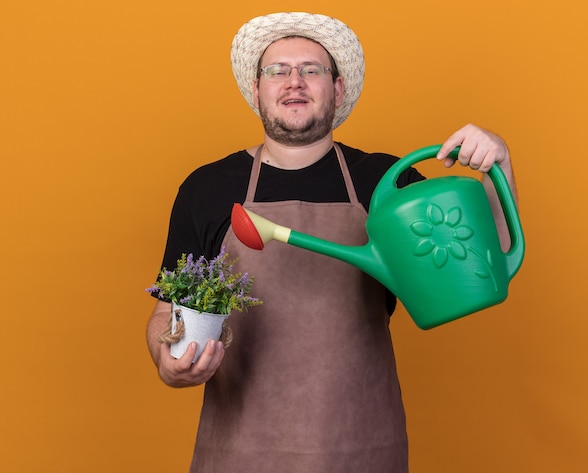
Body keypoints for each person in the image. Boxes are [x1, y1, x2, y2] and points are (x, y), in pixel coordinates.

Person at [146, 12, 518, 473]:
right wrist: (169, 362)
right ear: (258, 90)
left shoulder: (384, 183)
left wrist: (496, 165)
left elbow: (486, 263)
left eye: (312, 69)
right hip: (240, 454)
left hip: (362, 450)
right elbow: (169, 313)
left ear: (337, 89)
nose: (294, 82)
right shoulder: (207, 188)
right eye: (277, 71)